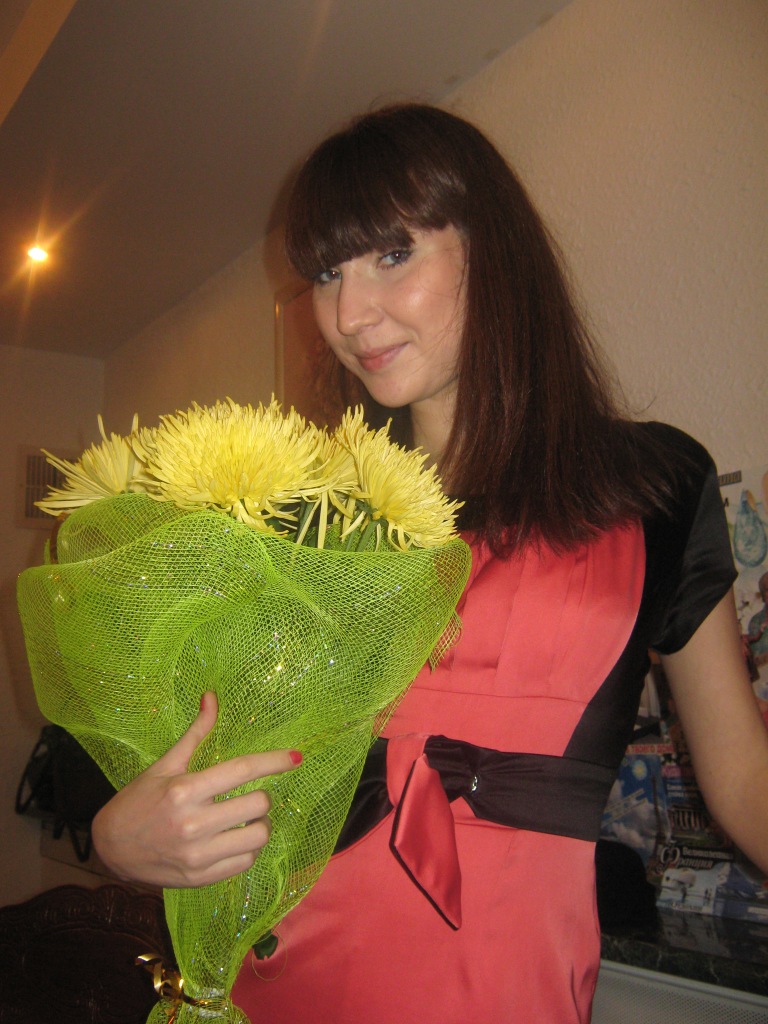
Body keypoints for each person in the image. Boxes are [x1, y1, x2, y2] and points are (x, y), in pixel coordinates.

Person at [92, 104, 768, 1023]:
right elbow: (217, 762)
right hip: (284, 975)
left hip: (506, 987)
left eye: (392, 255)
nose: (348, 314)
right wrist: (120, 837)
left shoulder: (649, 485)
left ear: (491, 247)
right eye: (327, 273)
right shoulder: (306, 519)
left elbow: (743, 778)